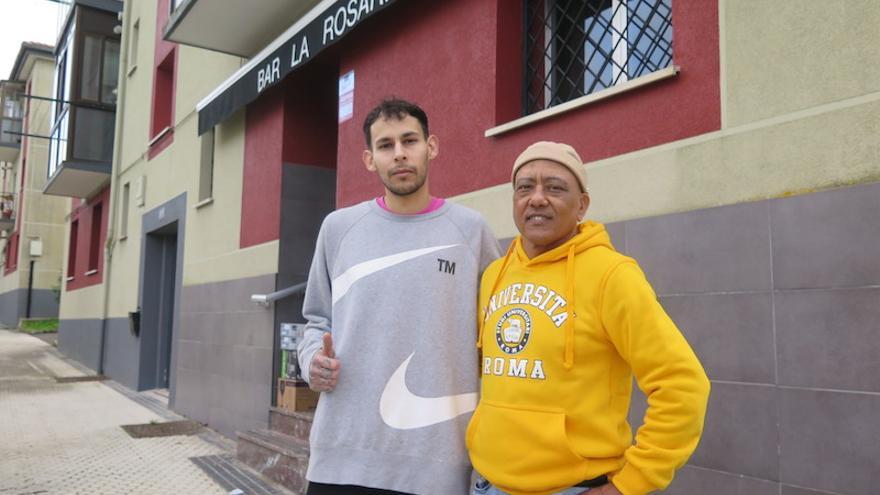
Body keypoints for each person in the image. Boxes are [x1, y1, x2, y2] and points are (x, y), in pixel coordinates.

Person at [467, 142, 710, 495]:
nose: (536, 198)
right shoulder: (494, 275)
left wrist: (631, 483)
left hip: (571, 487)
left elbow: (683, 385)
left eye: (554, 187)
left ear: (582, 205)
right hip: (487, 484)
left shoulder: (613, 275)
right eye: (525, 187)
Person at [298, 98, 501, 495]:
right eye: (386, 145)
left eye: (410, 140)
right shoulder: (338, 229)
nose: (400, 154)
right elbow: (316, 321)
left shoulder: (471, 231)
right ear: (370, 159)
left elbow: (496, 334)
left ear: (432, 147)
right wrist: (311, 361)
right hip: (342, 457)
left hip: (438, 463)